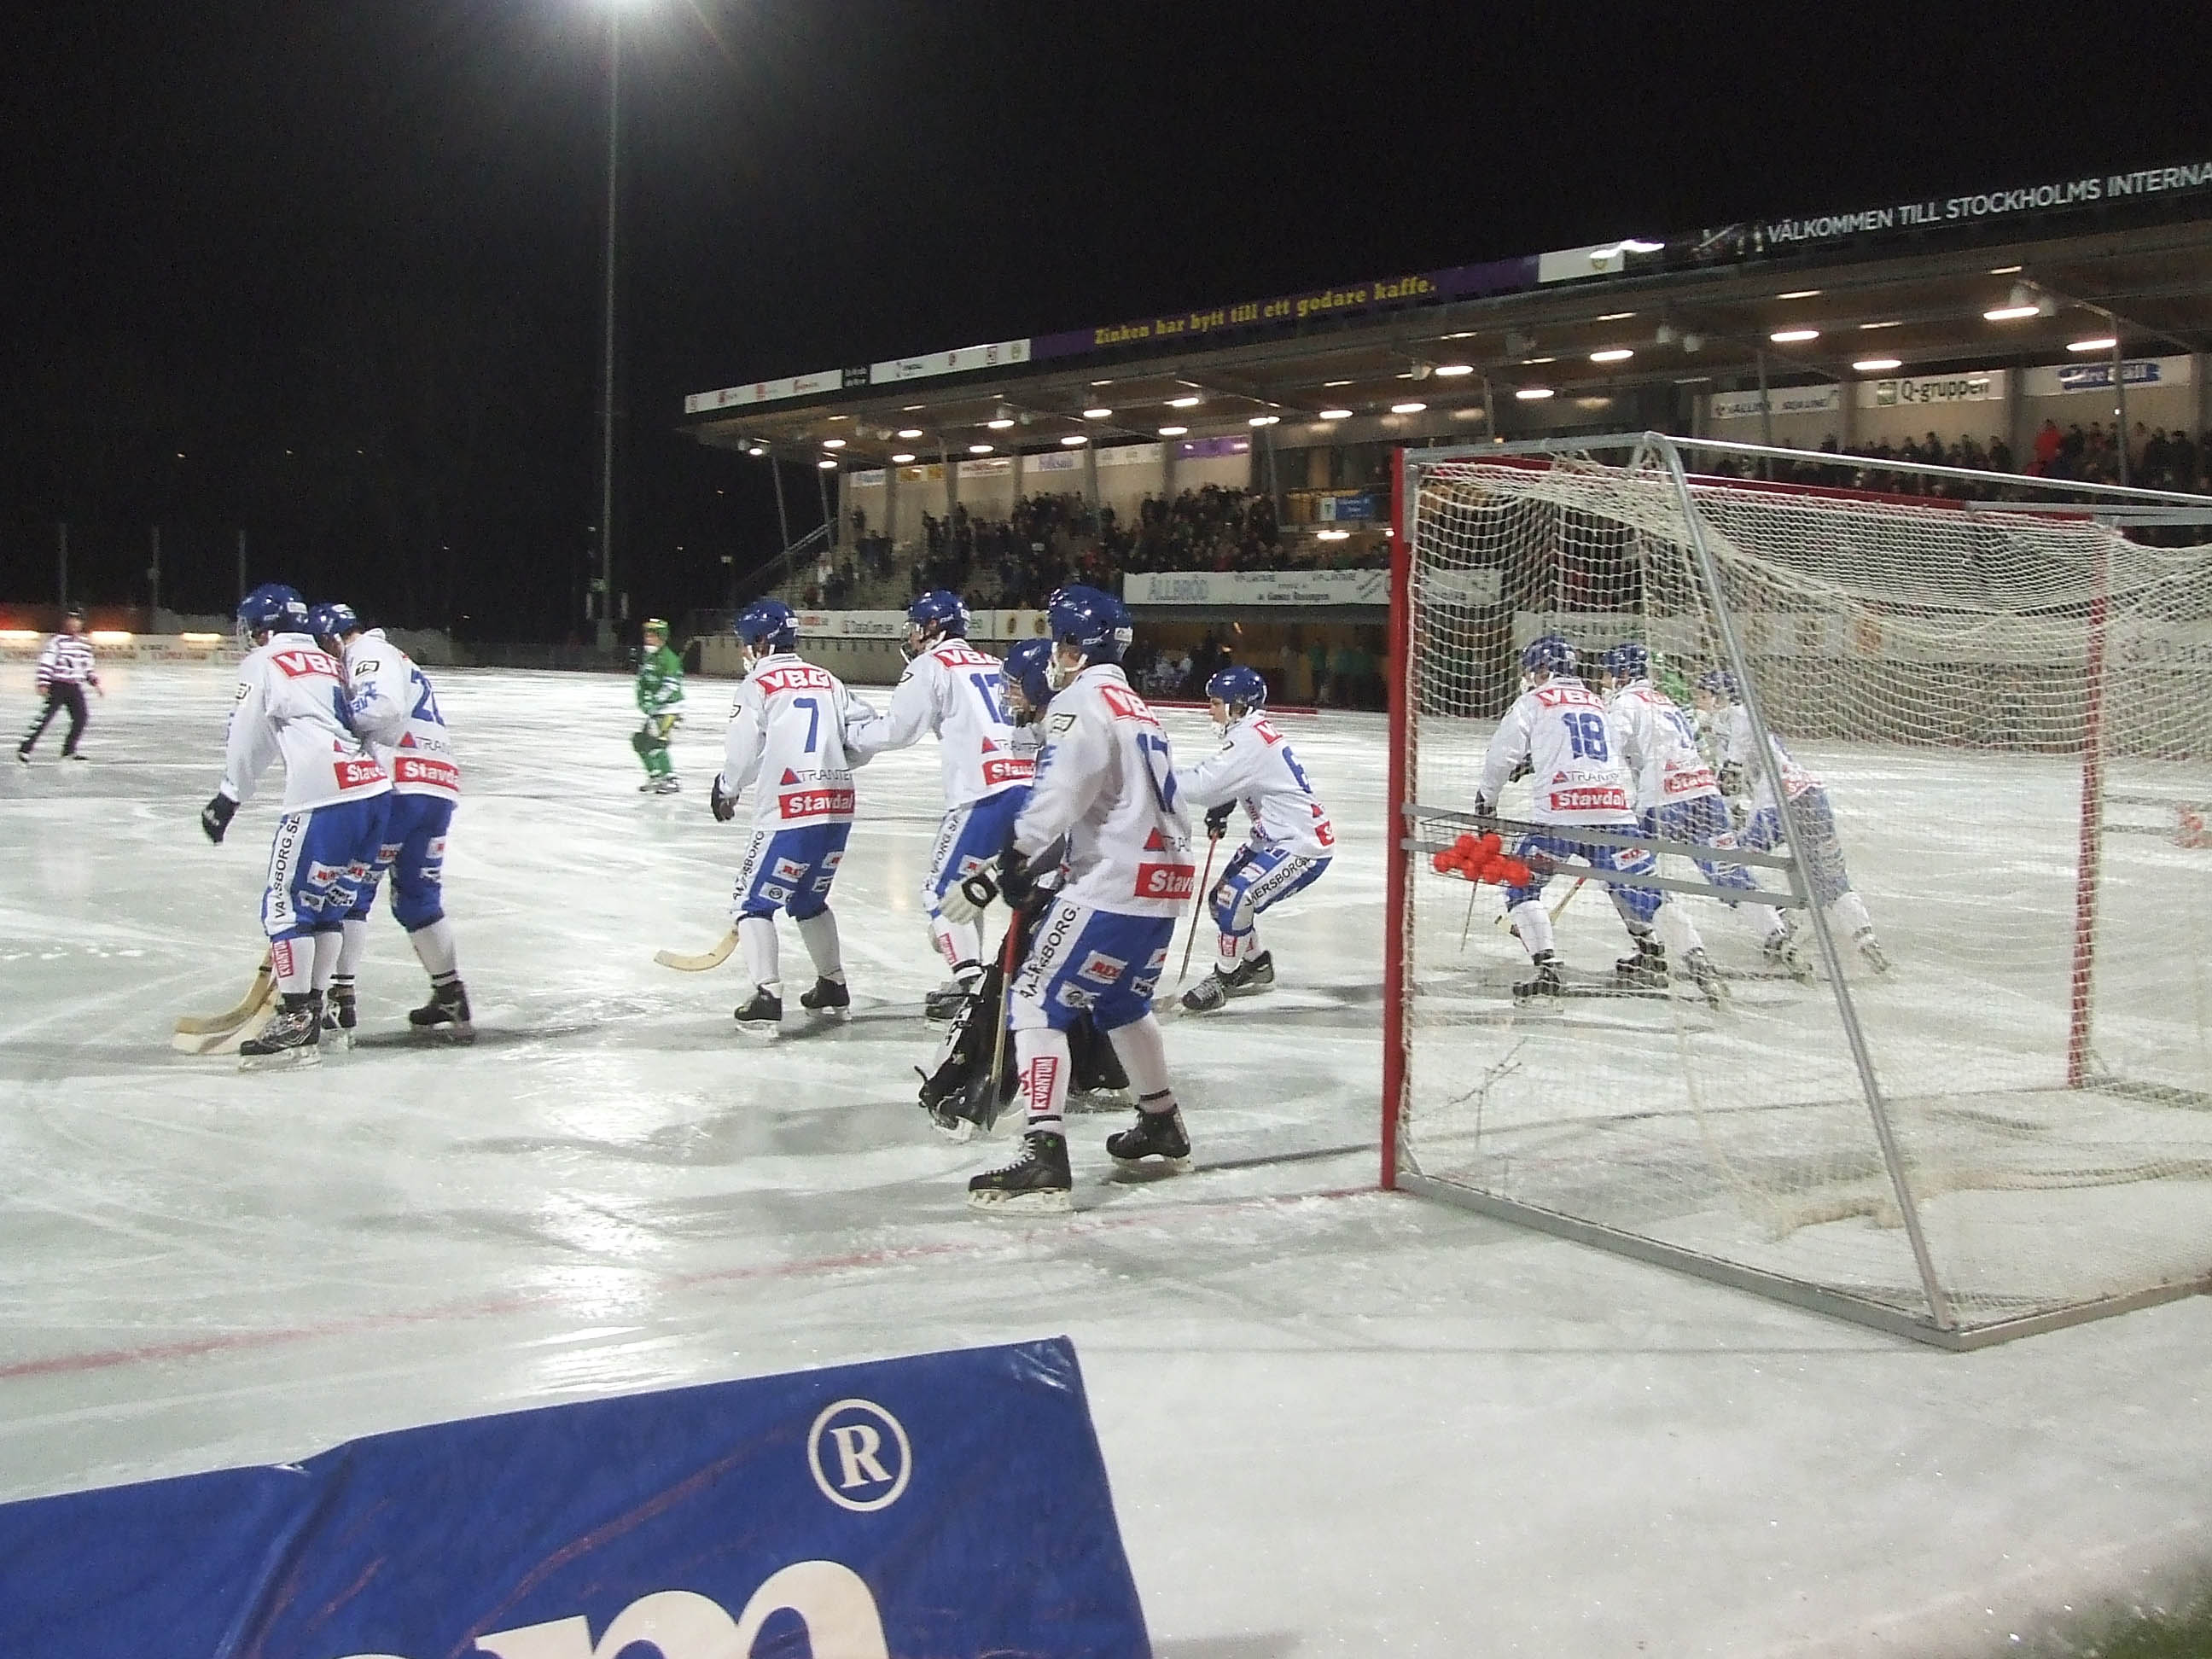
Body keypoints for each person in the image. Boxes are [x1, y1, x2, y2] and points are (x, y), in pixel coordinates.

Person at [941, 585, 1196, 1212]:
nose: (1054, 653)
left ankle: (1044, 1151)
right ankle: (1160, 1120)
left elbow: (1064, 790)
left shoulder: (1081, 700)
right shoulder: (1136, 705)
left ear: (1077, 646)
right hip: (1163, 882)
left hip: (1112, 882)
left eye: (1058, 640)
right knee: (1122, 1002)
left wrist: (1013, 856)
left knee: (1034, 999)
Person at [198, 584, 393, 1069]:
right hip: (372, 792)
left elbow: (248, 733)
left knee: (286, 905)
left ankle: (296, 1015)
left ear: (264, 629)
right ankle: (317, 1005)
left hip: (324, 795)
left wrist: (229, 796)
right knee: (328, 908)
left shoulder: (266, 662)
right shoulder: (330, 660)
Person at [1476, 635, 1703, 1000]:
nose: (1528, 678)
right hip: (1614, 811)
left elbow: (1501, 756)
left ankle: (1547, 969)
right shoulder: (1601, 703)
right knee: (1640, 890)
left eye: (1531, 671)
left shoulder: (1533, 701)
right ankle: (1689, 958)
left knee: (1522, 886)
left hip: (1560, 817)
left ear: (1543, 671)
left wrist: (1486, 802)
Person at [845, 591, 1033, 1020]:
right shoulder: (993, 662)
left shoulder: (931, 665)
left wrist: (852, 738)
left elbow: (897, 730)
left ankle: (970, 985)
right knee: (975, 885)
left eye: (916, 627)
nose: (911, 636)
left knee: (942, 888)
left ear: (933, 628)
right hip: (1030, 786)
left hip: (984, 792)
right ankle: (983, 970)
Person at [309, 602, 472, 1042]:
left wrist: (331, 718)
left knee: (351, 890)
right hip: (436, 785)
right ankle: (450, 994)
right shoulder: (395, 656)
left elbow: (382, 707)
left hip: (398, 785)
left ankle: (340, 1000)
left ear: (333, 638)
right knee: (417, 896)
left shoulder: (365, 652)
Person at [710, 599, 872, 1034]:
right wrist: (836, 761)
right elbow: (867, 729)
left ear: (762, 643)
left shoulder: (759, 683)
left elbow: (744, 751)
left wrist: (727, 788)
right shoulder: (827, 679)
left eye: (747, 642)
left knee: (751, 903)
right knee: (807, 899)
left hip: (788, 809)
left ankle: (767, 994)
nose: (744, 650)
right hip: (837, 805)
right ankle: (833, 984)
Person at [1603, 643, 1801, 975]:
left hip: (1663, 802)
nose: (1603, 682)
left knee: (1621, 874)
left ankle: (1652, 949)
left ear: (1623, 674)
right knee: (1726, 871)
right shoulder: (1665, 700)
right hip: (1704, 794)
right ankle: (1776, 935)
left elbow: (1608, 749)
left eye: (1608, 675)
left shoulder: (1625, 703)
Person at [1693, 669, 1890, 974]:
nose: (1699, 701)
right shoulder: (1749, 722)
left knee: (1728, 863)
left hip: (1779, 805)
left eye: (1704, 696)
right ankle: (1866, 940)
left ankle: (1779, 923)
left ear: (1721, 698)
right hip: (1812, 797)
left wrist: (1728, 810)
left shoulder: (1735, 717)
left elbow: (1731, 776)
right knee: (1830, 878)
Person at [1171, 665, 1334, 1012]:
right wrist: (1224, 804)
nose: (1210, 710)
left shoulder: (1250, 739)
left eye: (1216, 703)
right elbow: (1239, 780)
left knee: (1235, 898)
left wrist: (1154, 777)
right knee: (1221, 902)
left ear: (1238, 706)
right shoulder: (1251, 732)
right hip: (1274, 837)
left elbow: (1204, 784)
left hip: (1301, 843)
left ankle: (1224, 977)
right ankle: (1255, 964)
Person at [17, 606, 102, 763]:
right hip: (58, 685)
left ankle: (69, 750)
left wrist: (95, 682)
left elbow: (87, 666)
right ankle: (25, 748)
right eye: (71, 620)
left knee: (81, 717)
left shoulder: (84, 644)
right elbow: (47, 662)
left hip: (74, 686)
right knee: (45, 717)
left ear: (81, 623)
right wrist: (43, 682)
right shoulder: (57, 641)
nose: (73, 623)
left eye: (77, 620)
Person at [632, 618, 684, 794]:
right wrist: (642, 699)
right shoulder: (649, 657)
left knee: (657, 743)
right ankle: (655, 776)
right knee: (640, 742)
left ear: (662, 637)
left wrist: (654, 701)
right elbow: (642, 682)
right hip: (657, 710)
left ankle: (671, 779)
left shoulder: (670, 659)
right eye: (647, 635)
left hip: (671, 710)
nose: (648, 638)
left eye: (652, 635)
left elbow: (671, 686)